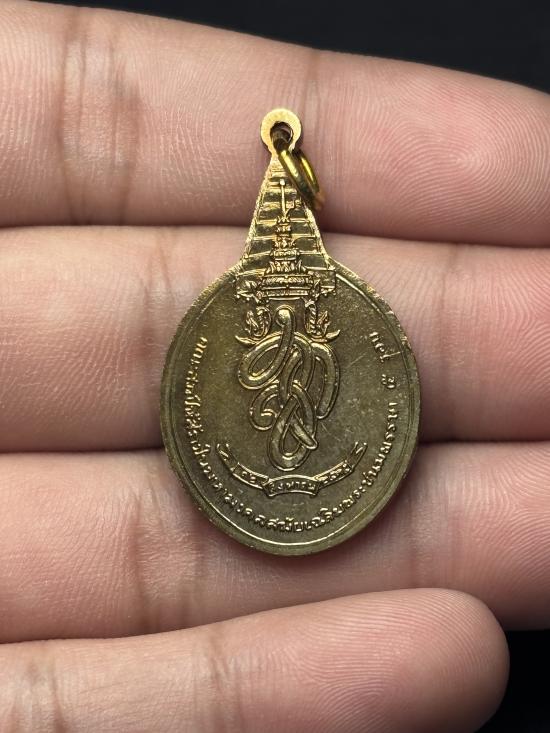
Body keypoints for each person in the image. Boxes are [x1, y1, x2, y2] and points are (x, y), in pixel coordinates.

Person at [0, 0, 549, 730]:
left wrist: (304, 348)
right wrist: (283, 348)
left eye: (294, 320)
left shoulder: (312, 347)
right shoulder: (276, 344)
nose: (286, 324)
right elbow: (261, 374)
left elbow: (307, 374)